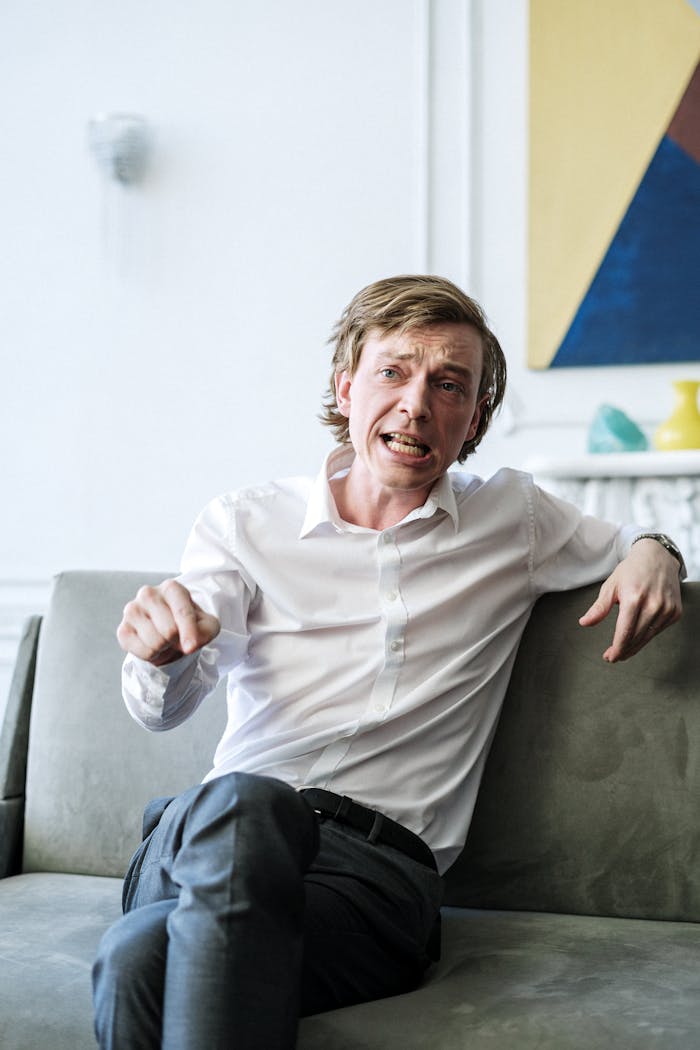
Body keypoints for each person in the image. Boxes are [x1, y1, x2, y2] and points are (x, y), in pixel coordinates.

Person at [92, 274, 684, 1050]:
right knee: (248, 805)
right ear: (346, 388)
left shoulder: (517, 519)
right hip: (206, 840)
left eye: (449, 385)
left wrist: (657, 551)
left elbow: (637, 543)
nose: (416, 404)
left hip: (370, 882)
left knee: (139, 959)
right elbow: (165, 705)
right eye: (394, 372)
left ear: (472, 419)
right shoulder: (246, 523)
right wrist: (161, 657)